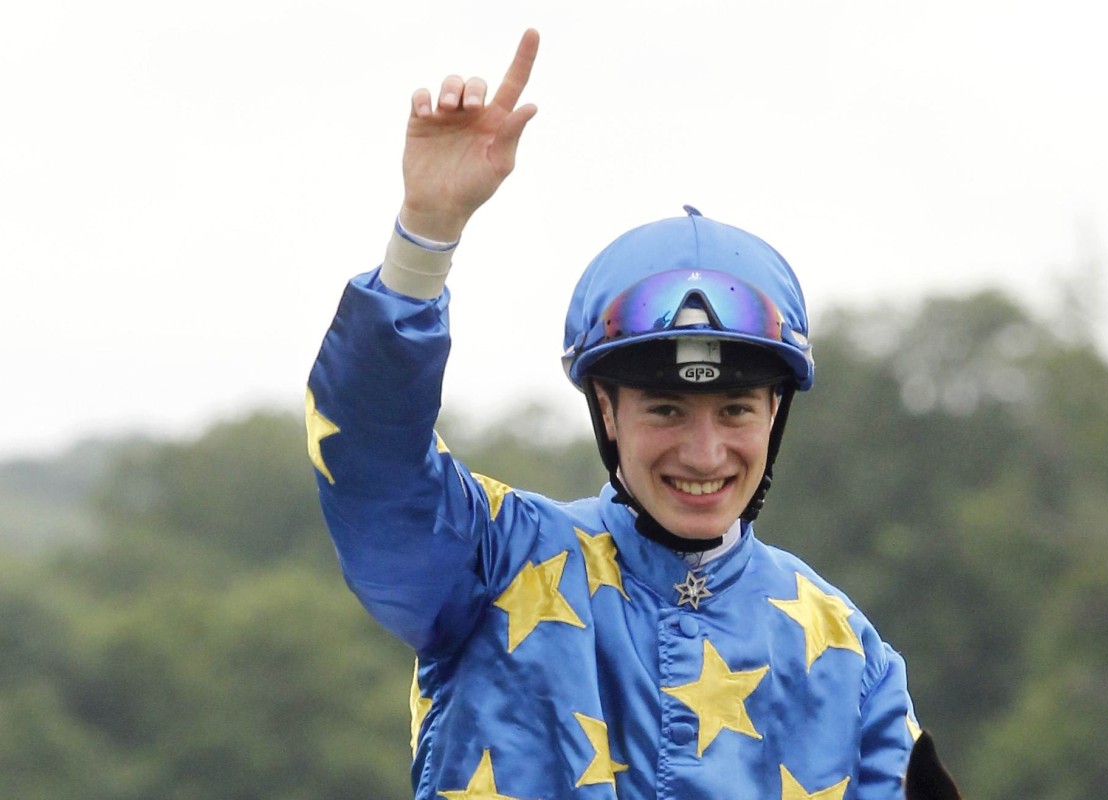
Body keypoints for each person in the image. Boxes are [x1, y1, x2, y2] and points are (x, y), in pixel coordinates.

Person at [306, 28, 919, 800]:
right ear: (606, 410)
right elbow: (371, 469)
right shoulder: (497, 562)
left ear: (776, 412)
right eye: (666, 408)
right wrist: (425, 235)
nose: (704, 454)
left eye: (734, 410)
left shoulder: (849, 655)